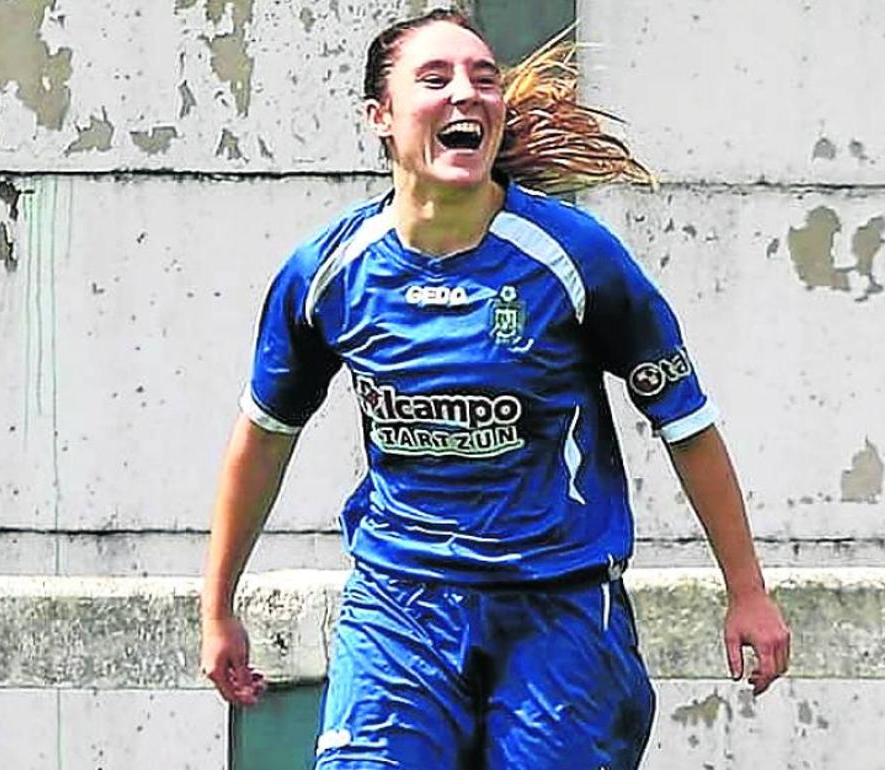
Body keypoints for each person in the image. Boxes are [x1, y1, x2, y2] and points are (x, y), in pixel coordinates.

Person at [200, 8, 790, 769]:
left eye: (484, 78)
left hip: (557, 609)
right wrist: (218, 605)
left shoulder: (575, 258)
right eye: (434, 78)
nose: (466, 93)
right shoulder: (328, 273)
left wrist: (747, 591)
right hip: (399, 608)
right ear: (380, 116)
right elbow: (263, 437)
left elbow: (687, 424)